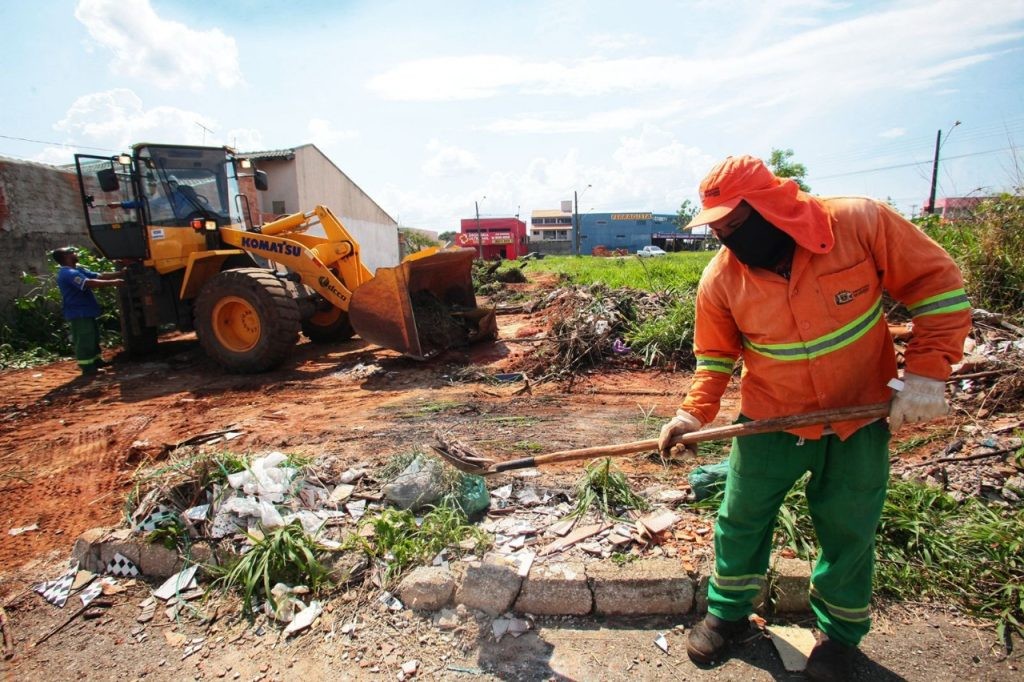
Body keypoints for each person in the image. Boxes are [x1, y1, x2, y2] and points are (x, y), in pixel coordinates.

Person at [657, 156, 971, 680]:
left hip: (858, 417)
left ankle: (838, 637)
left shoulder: (859, 223)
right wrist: (692, 414)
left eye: (735, 224)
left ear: (772, 207)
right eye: (717, 229)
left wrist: (926, 374)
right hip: (770, 420)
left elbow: (936, 286)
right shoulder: (721, 279)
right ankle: (728, 613)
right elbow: (714, 358)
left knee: (849, 528)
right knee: (741, 518)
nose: (726, 238)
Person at [52, 247, 125, 375]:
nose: (75, 254)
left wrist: (120, 273)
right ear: (66, 257)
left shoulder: (77, 270)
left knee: (92, 336)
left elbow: (99, 276)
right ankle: (87, 367)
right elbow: (88, 283)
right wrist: (114, 282)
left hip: (86, 310)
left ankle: (96, 361)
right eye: (72, 252)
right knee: (84, 338)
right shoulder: (68, 273)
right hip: (78, 311)